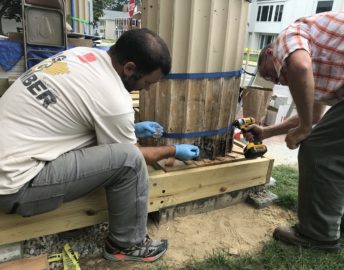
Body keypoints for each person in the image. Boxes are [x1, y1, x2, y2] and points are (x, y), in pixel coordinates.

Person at [0, 28, 200, 262]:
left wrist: (133, 128)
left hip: (11, 156)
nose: (147, 89)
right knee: (130, 161)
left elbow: (77, 117)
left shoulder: (82, 55)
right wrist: (173, 150)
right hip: (16, 185)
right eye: (147, 82)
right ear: (129, 68)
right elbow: (133, 153)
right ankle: (126, 245)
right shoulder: (115, 100)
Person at [250, 11, 344, 251]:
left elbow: (299, 67)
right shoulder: (318, 60)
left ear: (271, 53)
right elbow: (313, 114)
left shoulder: (287, 37)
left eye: (269, 73)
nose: (276, 81)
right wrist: (267, 132)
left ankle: (318, 234)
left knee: (319, 149)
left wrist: (305, 130)